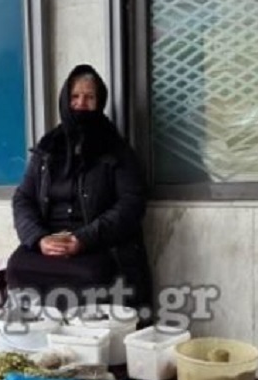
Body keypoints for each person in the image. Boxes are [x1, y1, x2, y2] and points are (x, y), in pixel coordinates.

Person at [8, 64, 153, 314]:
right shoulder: (48, 147)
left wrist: (82, 239)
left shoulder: (116, 149)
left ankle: (85, 341)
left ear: (99, 102)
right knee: (17, 265)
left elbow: (131, 204)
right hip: (49, 240)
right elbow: (23, 198)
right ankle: (38, 336)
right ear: (65, 99)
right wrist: (39, 238)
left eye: (89, 97)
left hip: (97, 243)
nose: (81, 103)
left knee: (91, 273)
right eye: (75, 96)